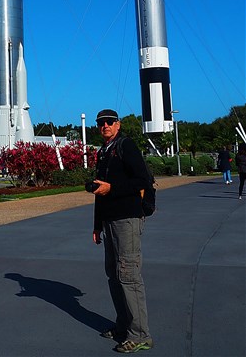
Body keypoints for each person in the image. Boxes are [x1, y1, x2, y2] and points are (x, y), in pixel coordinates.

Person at [91, 109, 153, 353]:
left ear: (118, 124)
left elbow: (142, 180)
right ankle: (123, 326)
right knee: (114, 274)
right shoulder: (103, 152)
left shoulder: (126, 145)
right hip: (109, 221)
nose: (104, 126)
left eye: (109, 122)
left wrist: (112, 188)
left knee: (128, 275)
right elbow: (100, 191)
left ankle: (140, 335)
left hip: (127, 219)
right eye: (101, 123)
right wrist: (97, 225)